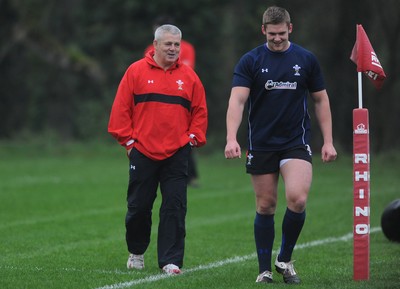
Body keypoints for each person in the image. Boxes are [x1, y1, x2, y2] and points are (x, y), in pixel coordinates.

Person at [224, 6, 337, 284]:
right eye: (272, 33)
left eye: (282, 33)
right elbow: (237, 100)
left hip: (295, 141)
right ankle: (264, 270)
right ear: (263, 30)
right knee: (266, 205)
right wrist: (230, 137)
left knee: (297, 199)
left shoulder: (306, 59)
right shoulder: (250, 60)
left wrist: (328, 141)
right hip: (261, 143)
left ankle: (284, 260)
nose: (277, 38)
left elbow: (321, 100)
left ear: (290, 28)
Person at [108, 24, 208, 275]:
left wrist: (192, 139)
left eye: (177, 45)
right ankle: (137, 252)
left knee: (175, 206)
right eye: (168, 44)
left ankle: (170, 260)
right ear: (155, 46)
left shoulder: (190, 77)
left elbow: (200, 112)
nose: (174, 49)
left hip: (177, 152)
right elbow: (121, 110)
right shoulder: (135, 72)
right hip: (143, 151)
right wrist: (129, 142)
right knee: (139, 207)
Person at [144, 16, 200, 187]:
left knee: (182, 139)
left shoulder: (187, 48)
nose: (172, 49)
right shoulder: (148, 50)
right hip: (156, 104)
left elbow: (187, 69)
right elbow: (147, 71)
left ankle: (189, 175)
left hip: (181, 99)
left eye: (175, 45)